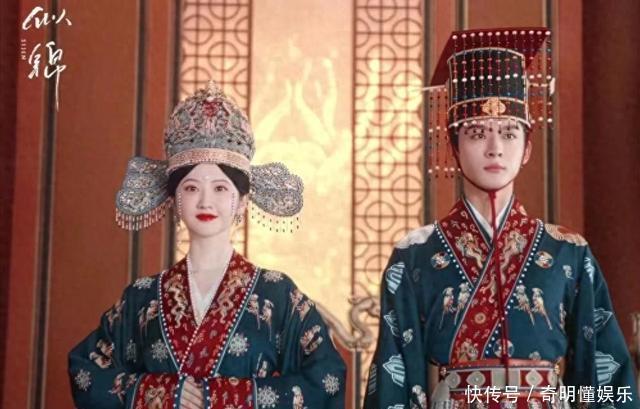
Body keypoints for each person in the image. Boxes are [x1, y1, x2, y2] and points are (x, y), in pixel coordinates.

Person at [364, 27, 638, 409]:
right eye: (477, 133)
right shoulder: (414, 255)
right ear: (454, 146)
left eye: (509, 134)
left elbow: (602, 377)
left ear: (527, 149)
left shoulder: (570, 253)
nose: (495, 148)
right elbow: (395, 383)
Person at [68, 81, 346, 409]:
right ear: (173, 199)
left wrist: (230, 397)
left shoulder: (276, 294)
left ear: (243, 201)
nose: (204, 201)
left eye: (220, 188)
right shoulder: (142, 297)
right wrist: (159, 393)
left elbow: (327, 377)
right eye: (190, 188)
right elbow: (85, 371)